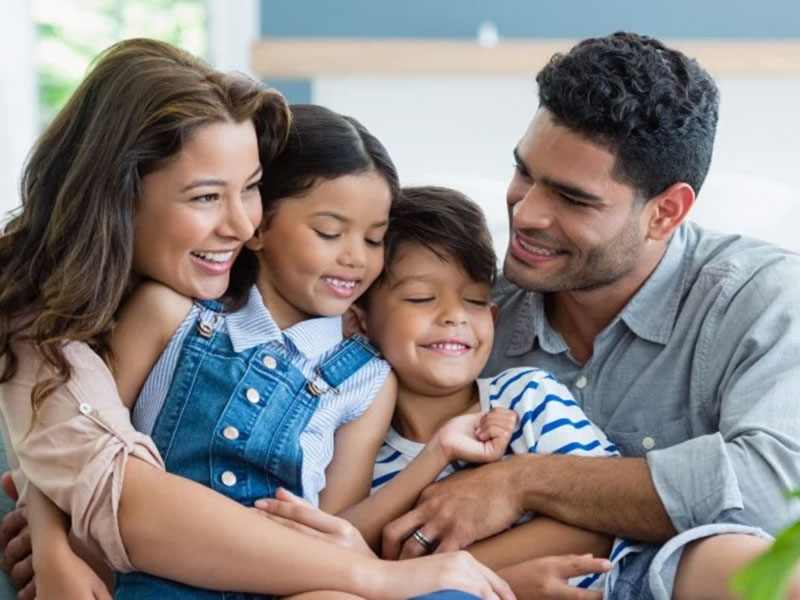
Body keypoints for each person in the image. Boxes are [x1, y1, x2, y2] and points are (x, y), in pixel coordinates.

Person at [0, 38, 512, 600]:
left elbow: (338, 524)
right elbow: (86, 455)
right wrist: (55, 544)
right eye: (205, 198)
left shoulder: (362, 372)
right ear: (119, 197)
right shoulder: (111, 313)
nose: (242, 225)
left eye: (250, 191)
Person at [378, 32, 800, 599]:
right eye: (523, 172)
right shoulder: (467, 319)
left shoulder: (760, 297)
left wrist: (525, 482)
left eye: (573, 199)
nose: (525, 214)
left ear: (664, 212)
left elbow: (776, 491)